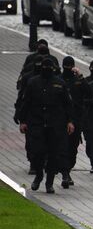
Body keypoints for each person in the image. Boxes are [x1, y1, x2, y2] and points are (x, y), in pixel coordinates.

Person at [17, 58, 74, 194]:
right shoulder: (33, 82)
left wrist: (70, 121)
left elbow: (68, 104)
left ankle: (49, 182)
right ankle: (39, 175)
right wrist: (23, 120)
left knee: (54, 154)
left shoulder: (60, 84)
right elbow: (26, 102)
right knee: (37, 152)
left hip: (55, 124)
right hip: (37, 122)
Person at [59, 56, 90, 188]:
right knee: (63, 147)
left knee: (73, 148)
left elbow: (88, 92)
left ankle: (68, 168)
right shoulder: (58, 80)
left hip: (76, 118)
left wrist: (81, 77)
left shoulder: (77, 80)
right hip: (61, 119)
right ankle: (65, 173)